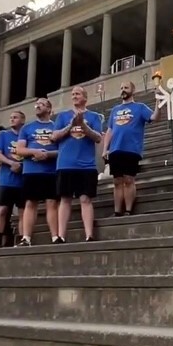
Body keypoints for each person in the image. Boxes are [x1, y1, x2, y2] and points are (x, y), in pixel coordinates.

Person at [52, 86, 104, 243]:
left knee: (85, 199)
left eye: (78, 94)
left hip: (86, 165)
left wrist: (83, 126)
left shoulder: (94, 116)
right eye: (73, 94)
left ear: (85, 98)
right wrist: (71, 125)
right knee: (65, 199)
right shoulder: (62, 116)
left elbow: (98, 138)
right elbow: (54, 136)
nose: (74, 96)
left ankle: (89, 235)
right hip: (65, 164)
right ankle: (61, 236)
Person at [102, 81, 160, 216]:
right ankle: (117, 211)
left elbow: (154, 117)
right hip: (115, 149)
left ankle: (128, 210)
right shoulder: (115, 110)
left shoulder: (140, 107)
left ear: (133, 90)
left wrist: (158, 102)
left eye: (126, 88)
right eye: (121, 88)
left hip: (131, 149)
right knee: (117, 181)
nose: (123, 90)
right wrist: (105, 148)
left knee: (129, 179)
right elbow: (110, 130)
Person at [16, 98, 59, 246]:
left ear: (49, 109)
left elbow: (63, 150)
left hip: (51, 171)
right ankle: (26, 238)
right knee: (30, 203)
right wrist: (34, 152)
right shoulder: (27, 128)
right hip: (31, 171)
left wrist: (47, 155)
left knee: (52, 202)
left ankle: (55, 237)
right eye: (37, 104)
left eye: (42, 104)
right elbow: (19, 150)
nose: (38, 106)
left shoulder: (56, 127)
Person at [0, 111, 26, 247]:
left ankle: (23, 239)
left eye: (15, 117)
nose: (12, 119)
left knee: (22, 211)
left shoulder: (26, 135)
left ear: (22, 120)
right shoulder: (4, 135)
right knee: (2, 210)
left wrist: (21, 165)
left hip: (22, 180)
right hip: (6, 180)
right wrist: (11, 163)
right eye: (11, 117)